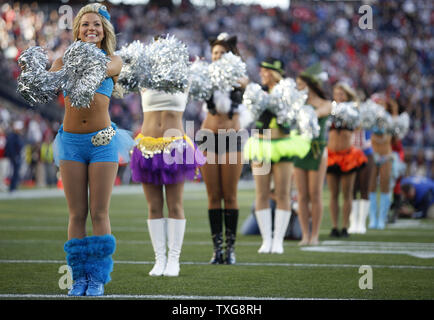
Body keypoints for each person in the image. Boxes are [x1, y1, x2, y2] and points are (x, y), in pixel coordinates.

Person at [48, 4, 131, 296]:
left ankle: (96, 278)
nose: (90, 29)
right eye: (85, 25)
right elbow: (48, 84)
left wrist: (71, 63)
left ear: (104, 30)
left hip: (103, 143)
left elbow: (102, 69)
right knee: (76, 213)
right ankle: (77, 277)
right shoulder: (61, 60)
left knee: (99, 212)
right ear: (77, 30)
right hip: (70, 141)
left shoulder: (114, 60)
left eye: (96, 25)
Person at [130, 38, 205, 276]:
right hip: (147, 147)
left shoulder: (185, 78)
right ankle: (159, 259)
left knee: (175, 205)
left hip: (175, 147)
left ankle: (174, 260)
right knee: (153, 206)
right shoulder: (143, 77)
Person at [244, 57, 311, 253]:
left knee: (282, 194)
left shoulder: (288, 92)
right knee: (261, 194)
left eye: (266, 71)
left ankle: (278, 241)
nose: (262, 74)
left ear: (275, 73)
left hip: (282, 145)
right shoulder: (258, 92)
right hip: (261, 145)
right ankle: (266, 240)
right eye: (262, 70)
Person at [197, 33, 247, 264]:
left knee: (230, 195)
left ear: (231, 55)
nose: (217, 56)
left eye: (222, 52)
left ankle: (231, 249)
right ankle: (217, 249)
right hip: (208, 137)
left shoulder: (239, 76)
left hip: (232, 138)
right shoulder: (205, 75)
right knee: (213, 195)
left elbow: (244, 84)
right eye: (215, 53)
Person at [293, 64, 332, 245]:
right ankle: (304, 235)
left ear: (310, 85)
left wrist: (305, 112)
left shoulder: (326, 104)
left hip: (317, 151)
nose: (298, 88)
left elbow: (318, 113)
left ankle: (315, 234)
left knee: (315, 194)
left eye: (300, 84)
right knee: (302, 195)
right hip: (300, 150)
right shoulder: (297, 103)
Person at [326, 82, 367, 237]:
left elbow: (359, 125)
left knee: (347, 193)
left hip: (347, 155)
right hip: (331, 155)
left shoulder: (353, 110)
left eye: (342, 94)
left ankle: (345, 226)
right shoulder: (330, 109)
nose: (339, 96)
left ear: (347, 95)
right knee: (333, 193)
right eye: (337, 93)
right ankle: (334, 226)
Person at [367, 94, 394, 229]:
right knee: (371, 185)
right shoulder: (369, 118)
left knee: (385, 184)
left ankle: (382, 218)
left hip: (386, 154)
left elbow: (394, 135)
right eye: (377, 103)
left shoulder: (388, 118)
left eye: (382, 103)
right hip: (373, 153)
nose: (380, 106)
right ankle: (372, 217)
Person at [5, 121, 24, 192]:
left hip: (17, 156)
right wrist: (14, 156)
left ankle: (14, 186)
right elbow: (11, 147)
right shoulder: (12, 136)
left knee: (16, 172)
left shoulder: (17, 136)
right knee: (13, 172)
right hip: (14, 156)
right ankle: (12, 187)